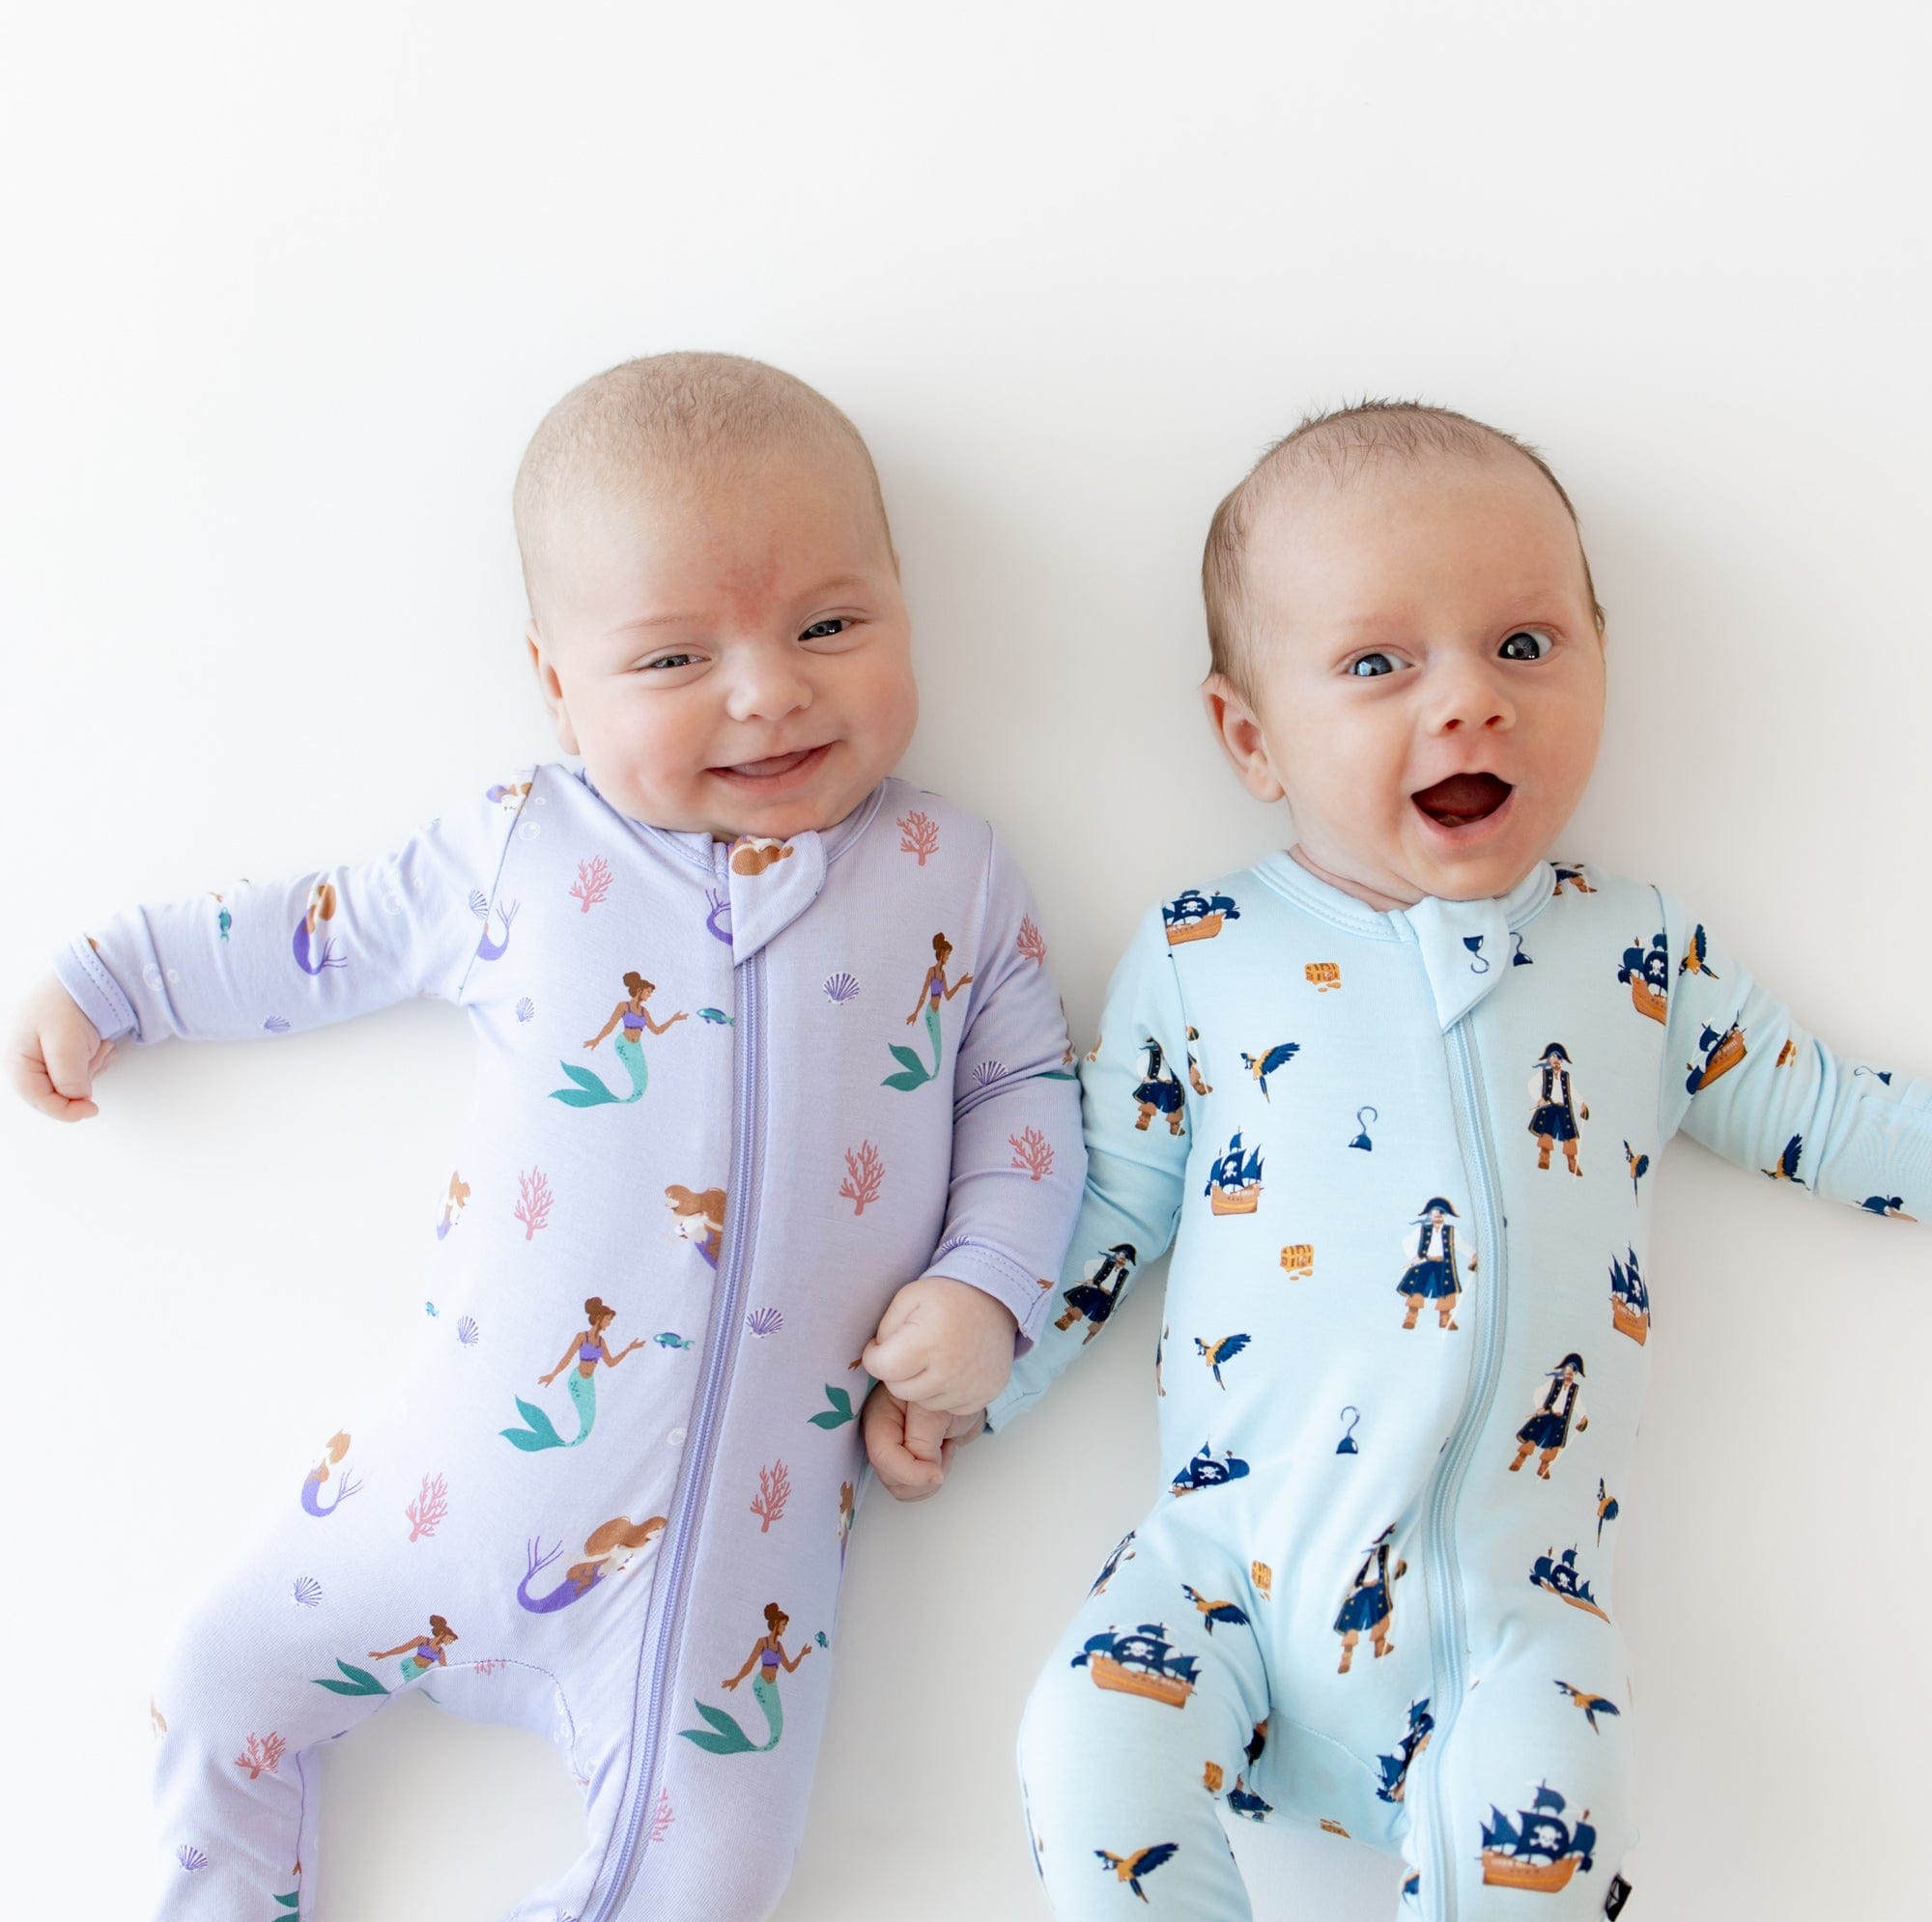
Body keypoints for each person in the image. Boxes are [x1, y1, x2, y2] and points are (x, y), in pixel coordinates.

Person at [10, 351, 1082, 1922]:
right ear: (557, 683)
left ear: (903, 606)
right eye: (674, 657)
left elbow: (1029, 1092)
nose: (767, 691)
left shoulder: (952, 871)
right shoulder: (522, 844)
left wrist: (989, 1287)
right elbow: (323, 932)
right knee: (217, 1678)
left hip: (712, 1582)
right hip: (424, 1499)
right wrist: (123, 977)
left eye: (829, 627)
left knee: (709, 1875)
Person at [865, 402, 1928, 1919]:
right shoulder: (1204, 952)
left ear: (1603, 666)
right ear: (1251, 737)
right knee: (1084, 1755)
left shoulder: (1641, 955)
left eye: (1525, 646)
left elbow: (1831, 1116)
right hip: (1225, 1570)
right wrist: (987, 1372)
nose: (1471, 702)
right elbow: (1108, 1206)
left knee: (1540, 1859)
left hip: (1514, 1617)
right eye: (1378, 664)